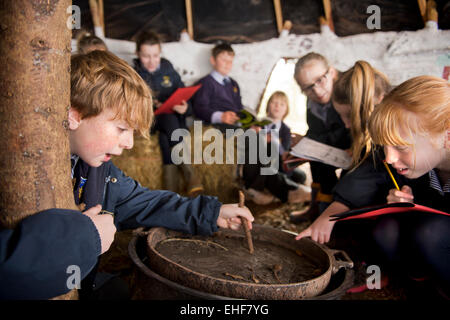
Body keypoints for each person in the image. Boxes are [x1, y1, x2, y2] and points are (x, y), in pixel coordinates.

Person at [1, 50, 255, 300]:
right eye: (122, 128)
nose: (130, 143)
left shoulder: (100, 172)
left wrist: (211, 212)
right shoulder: (12, 172)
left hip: (82, 285)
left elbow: (148, 202)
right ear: (74, 115)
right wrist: (85, 238)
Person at [367, 76, 449, 297]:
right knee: (386, 227)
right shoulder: (422, 167)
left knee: (431, 232)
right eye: (383, 146)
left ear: (447, 136)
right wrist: (410, 203)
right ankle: (417, 279)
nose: (389, 158)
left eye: (400, 147)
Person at [296, 60, 390, 244]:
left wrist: (333, 211)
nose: (347, 124)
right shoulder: (317, 105)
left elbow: (371, 169)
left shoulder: (387, 129)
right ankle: (319, 209)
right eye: (307, 87)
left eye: (348, 116)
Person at [133, 30, 203, 196]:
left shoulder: (168, 69)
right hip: (151, 122)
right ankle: (191, 176)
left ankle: (170, 191)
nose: (151, 61)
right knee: (168, 119)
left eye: (155, 55)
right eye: (146, 56)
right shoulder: (134, 75)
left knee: (166, 138)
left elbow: (186, 97)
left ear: (160, 53)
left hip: (171, 122)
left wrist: (186, 108)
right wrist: (151, 104)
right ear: (137, 54)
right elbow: (131, 105)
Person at [290, 52, 351, 223]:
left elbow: (347, 134)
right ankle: (315, 209)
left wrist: (309, 143)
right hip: (329, 151)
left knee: (345, 179)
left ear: (332, 72)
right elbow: (315, 131)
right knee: (316, 162)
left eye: (319, 80)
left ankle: (328, 218)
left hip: (354, 152)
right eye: (308, 88)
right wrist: (298, 150)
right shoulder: (312, 103)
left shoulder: (348, 93)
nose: (316, 91)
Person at [242, 91, 310, 204]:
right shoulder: (259, 125)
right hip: (258, 163)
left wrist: (276, 142)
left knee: (300, 176)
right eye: (274, 102)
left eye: (282, 104)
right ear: (268, 105)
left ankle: (278, 187)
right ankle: (290, 191)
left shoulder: (285, 130)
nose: (277, 106)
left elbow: (284, 154)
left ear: (286, 110)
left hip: (277, 165)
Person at [192, 43, 244, 131]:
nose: (227, 64)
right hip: (217, 126)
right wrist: (221, 117)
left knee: (260, 133)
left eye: (230, 61)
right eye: (224, 60)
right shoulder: (205, 83)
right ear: (213, 60)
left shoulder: (234, 84)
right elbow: (199, 109)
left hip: (236, 124)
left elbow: (239, 106)